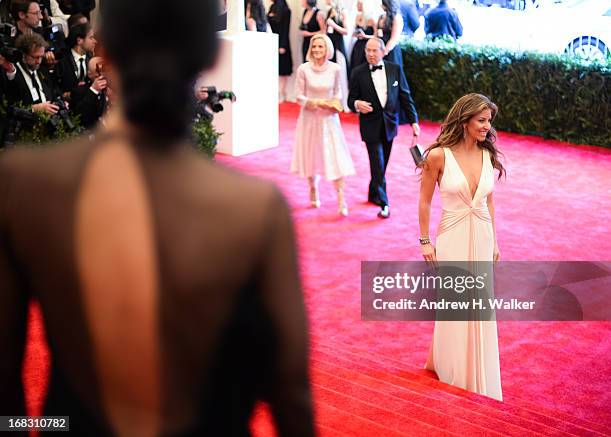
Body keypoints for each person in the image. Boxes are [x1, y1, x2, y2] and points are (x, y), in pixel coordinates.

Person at [0, 0, 315, 435]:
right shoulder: (255, 208)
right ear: (211, 57)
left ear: (104, 52)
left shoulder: (26, 183)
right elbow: (291, 394)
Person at [419, 93, 505, 401]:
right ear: (465, 120)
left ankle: (476, 368)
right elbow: (425, 201)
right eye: (481, 121)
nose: (486, 127)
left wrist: (494, 240)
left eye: (488, 121)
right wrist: (425, 240)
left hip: (481, 233)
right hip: (452, 234)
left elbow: (489, 201)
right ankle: (452, 366)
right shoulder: (438, 156)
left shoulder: (487, 155)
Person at [348, 37, 420, 219]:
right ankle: (384, 203)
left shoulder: (395, 69)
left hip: (389, 125)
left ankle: (373, 192)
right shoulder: (358, 73)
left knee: (383, 165)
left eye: (374, 51)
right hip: (369, 126)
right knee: (377, 164)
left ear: (382, 51)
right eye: (368, 51)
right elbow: (350, 100)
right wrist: (357, 103)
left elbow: (405, 96)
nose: (371, 54)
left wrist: (414, 122)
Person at [291, 34, 355, 217]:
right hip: (309, 119)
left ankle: (341, 197)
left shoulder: (335, 69)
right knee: (310, 155)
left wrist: (334, 103)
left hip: (329, 119)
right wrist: (317, 102)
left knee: (335, 157)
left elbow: (338, 92)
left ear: (328, 49)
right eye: (314, 47)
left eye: (321, 46)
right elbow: (299, 96)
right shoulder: (303, 69)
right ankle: (313, 187)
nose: (317, 50)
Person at [6, 33, 61, 114]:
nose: (38, 61)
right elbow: (10, 108)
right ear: (23, 55)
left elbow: (52, 94)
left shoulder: (43, 70)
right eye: (35, 57)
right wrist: (34, 109)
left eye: (41, 57)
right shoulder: (13, 74)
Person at [57, 22, 97, 100]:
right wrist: (65, 95)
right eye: (91, 38)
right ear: (79, 40)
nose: (95, 41)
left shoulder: (92, 59)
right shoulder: (62, 61)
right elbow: (55, 88)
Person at [267, 0, 293, 102]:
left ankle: (282, 93)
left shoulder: (286, 10)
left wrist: (282, 45)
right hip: (272, 42)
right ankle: (276, 92)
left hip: (282, 43)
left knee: (283, 70)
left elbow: (286, 29)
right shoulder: (272, 7)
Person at [349, 0, 375, 76]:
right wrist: (355, 34)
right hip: (358, 45)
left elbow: (377, 36)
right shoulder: (358, 16)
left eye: (359, 4)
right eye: (357, 4)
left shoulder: (372, 19)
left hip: (367, 44)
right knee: (355, 64)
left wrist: (365, 36)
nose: (357, 6)